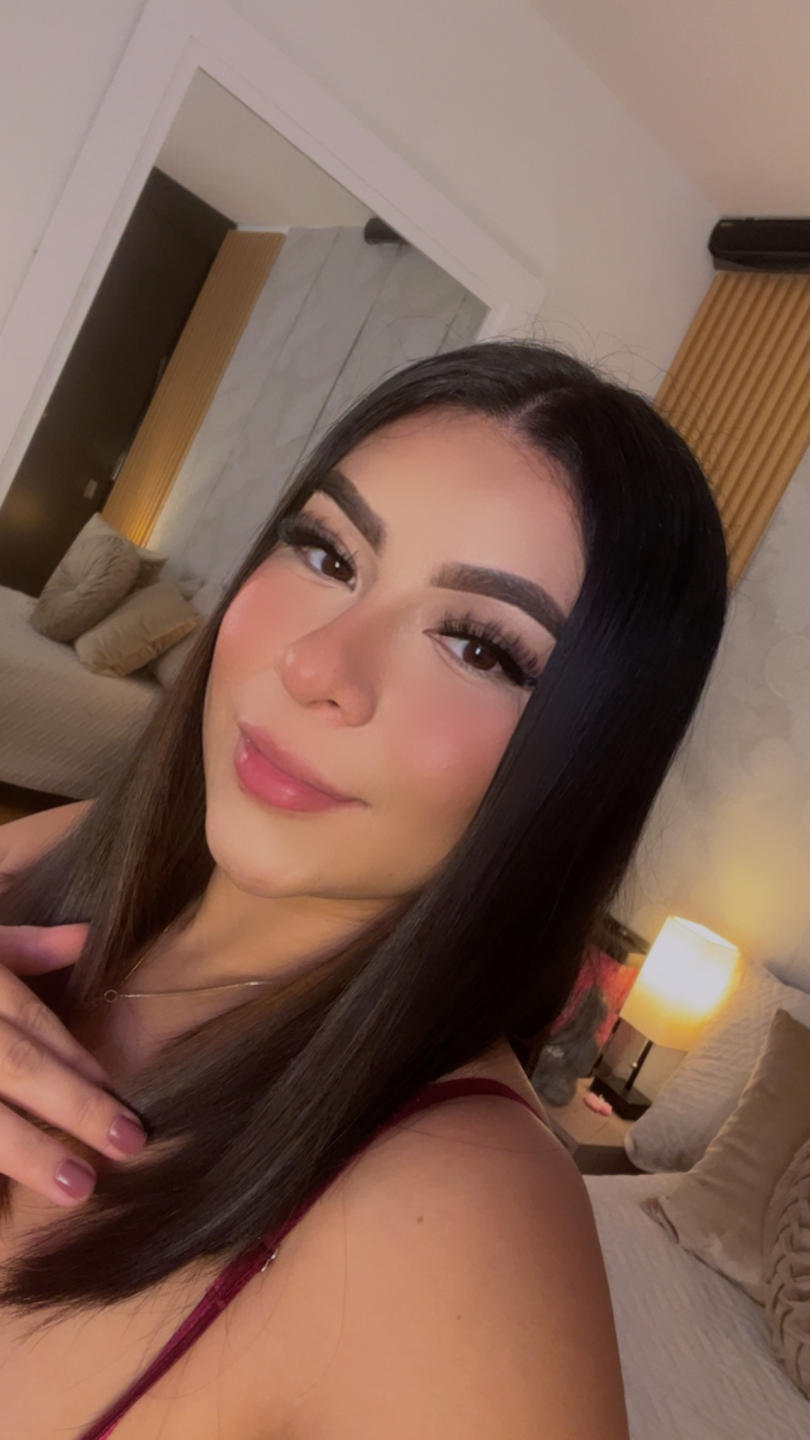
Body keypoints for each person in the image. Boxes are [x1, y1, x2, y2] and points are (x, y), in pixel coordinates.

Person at [0, 340, 728, 1438]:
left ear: (583, 768)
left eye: (478, 647)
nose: (315, 667)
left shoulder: (465, 1218)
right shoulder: (66, 853)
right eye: (327, 553)